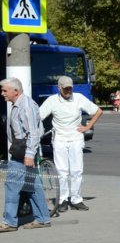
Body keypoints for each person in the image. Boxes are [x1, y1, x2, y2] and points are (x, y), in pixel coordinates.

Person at [39, 76, 103, 212]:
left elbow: (98, 111)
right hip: (60, 139)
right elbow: (38, 116)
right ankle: (62, 200)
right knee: (62, 172)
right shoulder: (52, 101)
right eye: (65, 88)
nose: (68, 91)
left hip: (76, 138)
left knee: (76, 171)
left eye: (70, 88)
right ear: (59, 88)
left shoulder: (79, 97)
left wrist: (87, 127)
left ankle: (76, 199)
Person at [0, 77, 51, 231]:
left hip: (23, 151)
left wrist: (29, 155)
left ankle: (9, 222)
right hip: (23, 149)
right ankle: (42, 218)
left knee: (11, 186)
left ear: (16, 91)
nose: (2, 93)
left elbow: (34, 133)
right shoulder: (19, 104)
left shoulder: (26, 106)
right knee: (32, 185)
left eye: (4, 90)